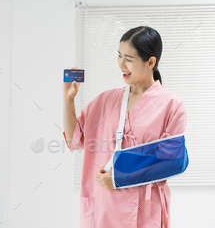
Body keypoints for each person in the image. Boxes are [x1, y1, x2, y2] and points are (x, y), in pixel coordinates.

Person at [62, 26, 187, 228]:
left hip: (145, 210)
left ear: (151, 62)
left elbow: (171, 159)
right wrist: (68, 100)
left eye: (128, 59)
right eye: (119, 56)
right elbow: (73, 140)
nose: (121, 64)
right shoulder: (106, 100)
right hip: (103, 206)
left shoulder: (171, 104)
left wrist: (120, 176)